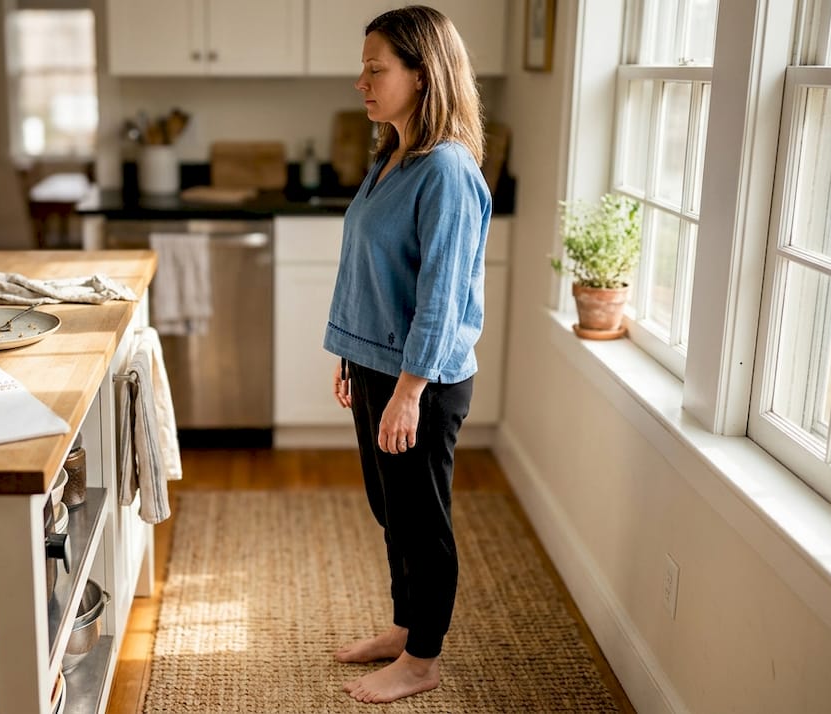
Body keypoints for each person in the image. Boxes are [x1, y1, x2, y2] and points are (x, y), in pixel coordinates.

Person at [323, 5, 490, 704]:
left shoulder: (446, 170)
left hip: (419, 377)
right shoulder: (392, 155)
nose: (360, 80)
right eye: (363, 66)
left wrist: (408, 390)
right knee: (391, 511)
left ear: (422, 75)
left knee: (422, 520)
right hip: (378, 367)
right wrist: (351, 355)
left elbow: (442, 295)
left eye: (375, 67)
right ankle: (405, 627)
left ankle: (423, 660)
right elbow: (371, 269)